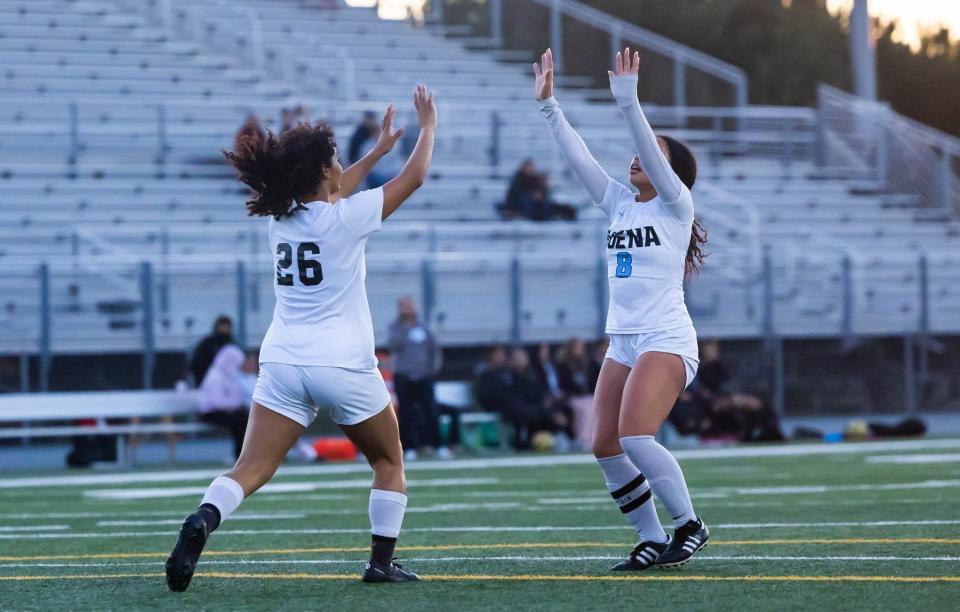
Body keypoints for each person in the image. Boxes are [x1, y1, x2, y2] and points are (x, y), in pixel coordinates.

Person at [165, 84, 437, 591]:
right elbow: (415, 176)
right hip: (342, 364)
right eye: (335, 159)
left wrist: (375, 151)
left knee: (252, 466)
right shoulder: (344, 217)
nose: (340, 165)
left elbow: (334, 192)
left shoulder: (280, 218)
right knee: (388, 459)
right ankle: (380, 563)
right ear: (323, 173)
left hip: (284, 361)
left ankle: (204, 517)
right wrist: (430, 126)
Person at [534, 47, 709, 570]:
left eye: (651, 152)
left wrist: (631, 105)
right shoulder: (617, 202)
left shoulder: (675, 204)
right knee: (604, 444)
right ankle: (652, 537)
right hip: (625, 339)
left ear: (669, 169)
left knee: (635, 435)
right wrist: (549, 107)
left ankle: (690, 525)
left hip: (666, 339)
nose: (637, 157)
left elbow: (652, 154)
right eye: (638, 151)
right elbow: (579, 158)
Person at [388, 296, 451, 461]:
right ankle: (409, 447)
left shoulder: (424, 328)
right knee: (406, 413)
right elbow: (393, 345)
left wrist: (431, 370)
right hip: (403, 376)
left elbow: (434, 350)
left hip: (424, 377)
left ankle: (438, 446)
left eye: (410, 306)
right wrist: (405, 328)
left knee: (431, 411)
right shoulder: (396, 327)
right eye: (404, 306)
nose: (408, 310)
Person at [198, 345, 250, 460]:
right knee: (240, 423)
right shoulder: (216, 376)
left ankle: (245, 455)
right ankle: (239, 456)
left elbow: (234, 397)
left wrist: (238, 405)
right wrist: (236, 405)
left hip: (224, 411)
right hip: (210, 413)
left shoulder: (229, 376)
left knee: (247, 419)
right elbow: (216, 402)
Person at [189, 316, 233, 386]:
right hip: (207, 382)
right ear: (217, 327)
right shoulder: (207, 343)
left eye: (227, 327)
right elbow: (196, 364)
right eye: (222, 326)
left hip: (228, 384)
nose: (224, 329)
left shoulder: (232, 345)